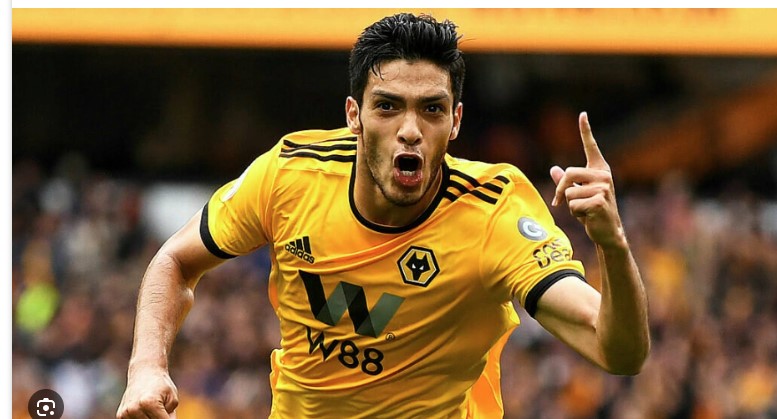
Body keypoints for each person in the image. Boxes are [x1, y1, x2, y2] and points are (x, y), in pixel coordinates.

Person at [117, 13, 649, 419]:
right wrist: (145, 368)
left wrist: (613, 243)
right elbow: (175, 262)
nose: (410, 130)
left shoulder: (494, 213)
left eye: (432, 109)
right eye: (388, 106)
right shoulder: (291, 175)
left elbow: (617, 351)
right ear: (355, 114)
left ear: (456, 121)